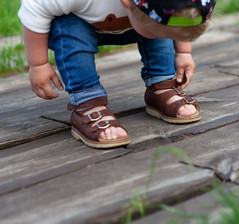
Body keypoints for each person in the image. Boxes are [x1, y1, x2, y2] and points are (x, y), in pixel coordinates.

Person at [18, 0, 216, 148]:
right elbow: (34, 9)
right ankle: (88, 103)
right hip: (78, 21)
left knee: (157, 26)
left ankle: (161, 85)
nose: (171, 36)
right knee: (69, 27)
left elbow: (176, 18)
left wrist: (183, 52)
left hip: (133, 19)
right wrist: (38, 64)